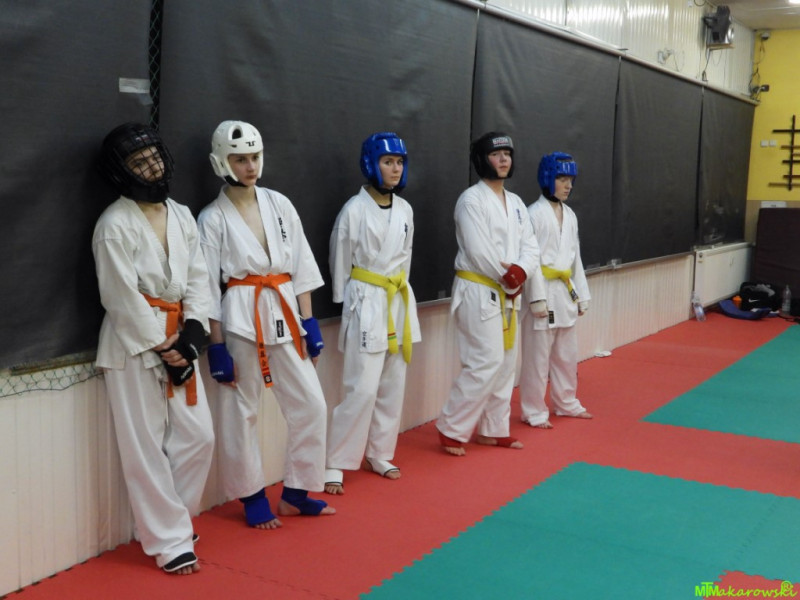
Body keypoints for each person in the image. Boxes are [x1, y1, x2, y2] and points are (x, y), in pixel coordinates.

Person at [197, 120, 334, 529]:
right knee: (241, 411)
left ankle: (295, 493)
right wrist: (216, 345)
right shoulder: (212, 218)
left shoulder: (279, 203)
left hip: (285, 309)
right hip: (241, 315)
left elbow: (301, 266)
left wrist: (309, 323)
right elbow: (205, 286)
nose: (250, 166)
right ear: (223, 162)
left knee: (312, 405)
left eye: (255, 157)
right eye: (240, 159)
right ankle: (252, 496)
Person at [92, 123, 215, 575]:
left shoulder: (181, 214)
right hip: (133, 345)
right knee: (144, 445)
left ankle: (174, 522)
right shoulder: (113, 224)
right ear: (122, 172)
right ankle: (168, 542)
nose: (152, 167)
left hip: (179, 333)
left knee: (199, 437)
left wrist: (193, 335)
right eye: (139, 162)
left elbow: (199, 276)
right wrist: (164, 347)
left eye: (154, 157)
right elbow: (119, 296)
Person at [436, 132, 545, 456]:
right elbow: (477, 248)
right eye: (496, 155)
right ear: (482, 160)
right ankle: (451, 426)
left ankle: (493, 428)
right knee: (485, 360)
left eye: (507, 154)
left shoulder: (517, 204)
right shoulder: (470, 200)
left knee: (507, 362)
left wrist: (521, 270)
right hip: (479, 287)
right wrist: (507, 275)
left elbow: (531, 246)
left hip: (509, 290)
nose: (503, 159)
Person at [324, 132, 421, 494]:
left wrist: (400, 293)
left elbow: (406, 257)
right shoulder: (354, 209)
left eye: (399, 162)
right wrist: (344, 299)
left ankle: (380, 452)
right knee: (361, 387)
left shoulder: (406, 210)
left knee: (393, 383)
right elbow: (339, 257)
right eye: (387, 162)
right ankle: (336, 459)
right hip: (365, 298)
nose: (395, 169)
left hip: (397, 297)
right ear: (371, 164)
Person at [519, 152, 592, 428]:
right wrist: (536, 298)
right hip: (542, 293)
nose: (568, 185)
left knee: (566, 355)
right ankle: (534, 411)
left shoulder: (570, 215)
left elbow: (576, 258)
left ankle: (566, 402)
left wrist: (581, 295)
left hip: (564, 292)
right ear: (548, 178)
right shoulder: (533, 214)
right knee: (537, 360)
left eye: (571, 180)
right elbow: (530, 259)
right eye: (562, 179)